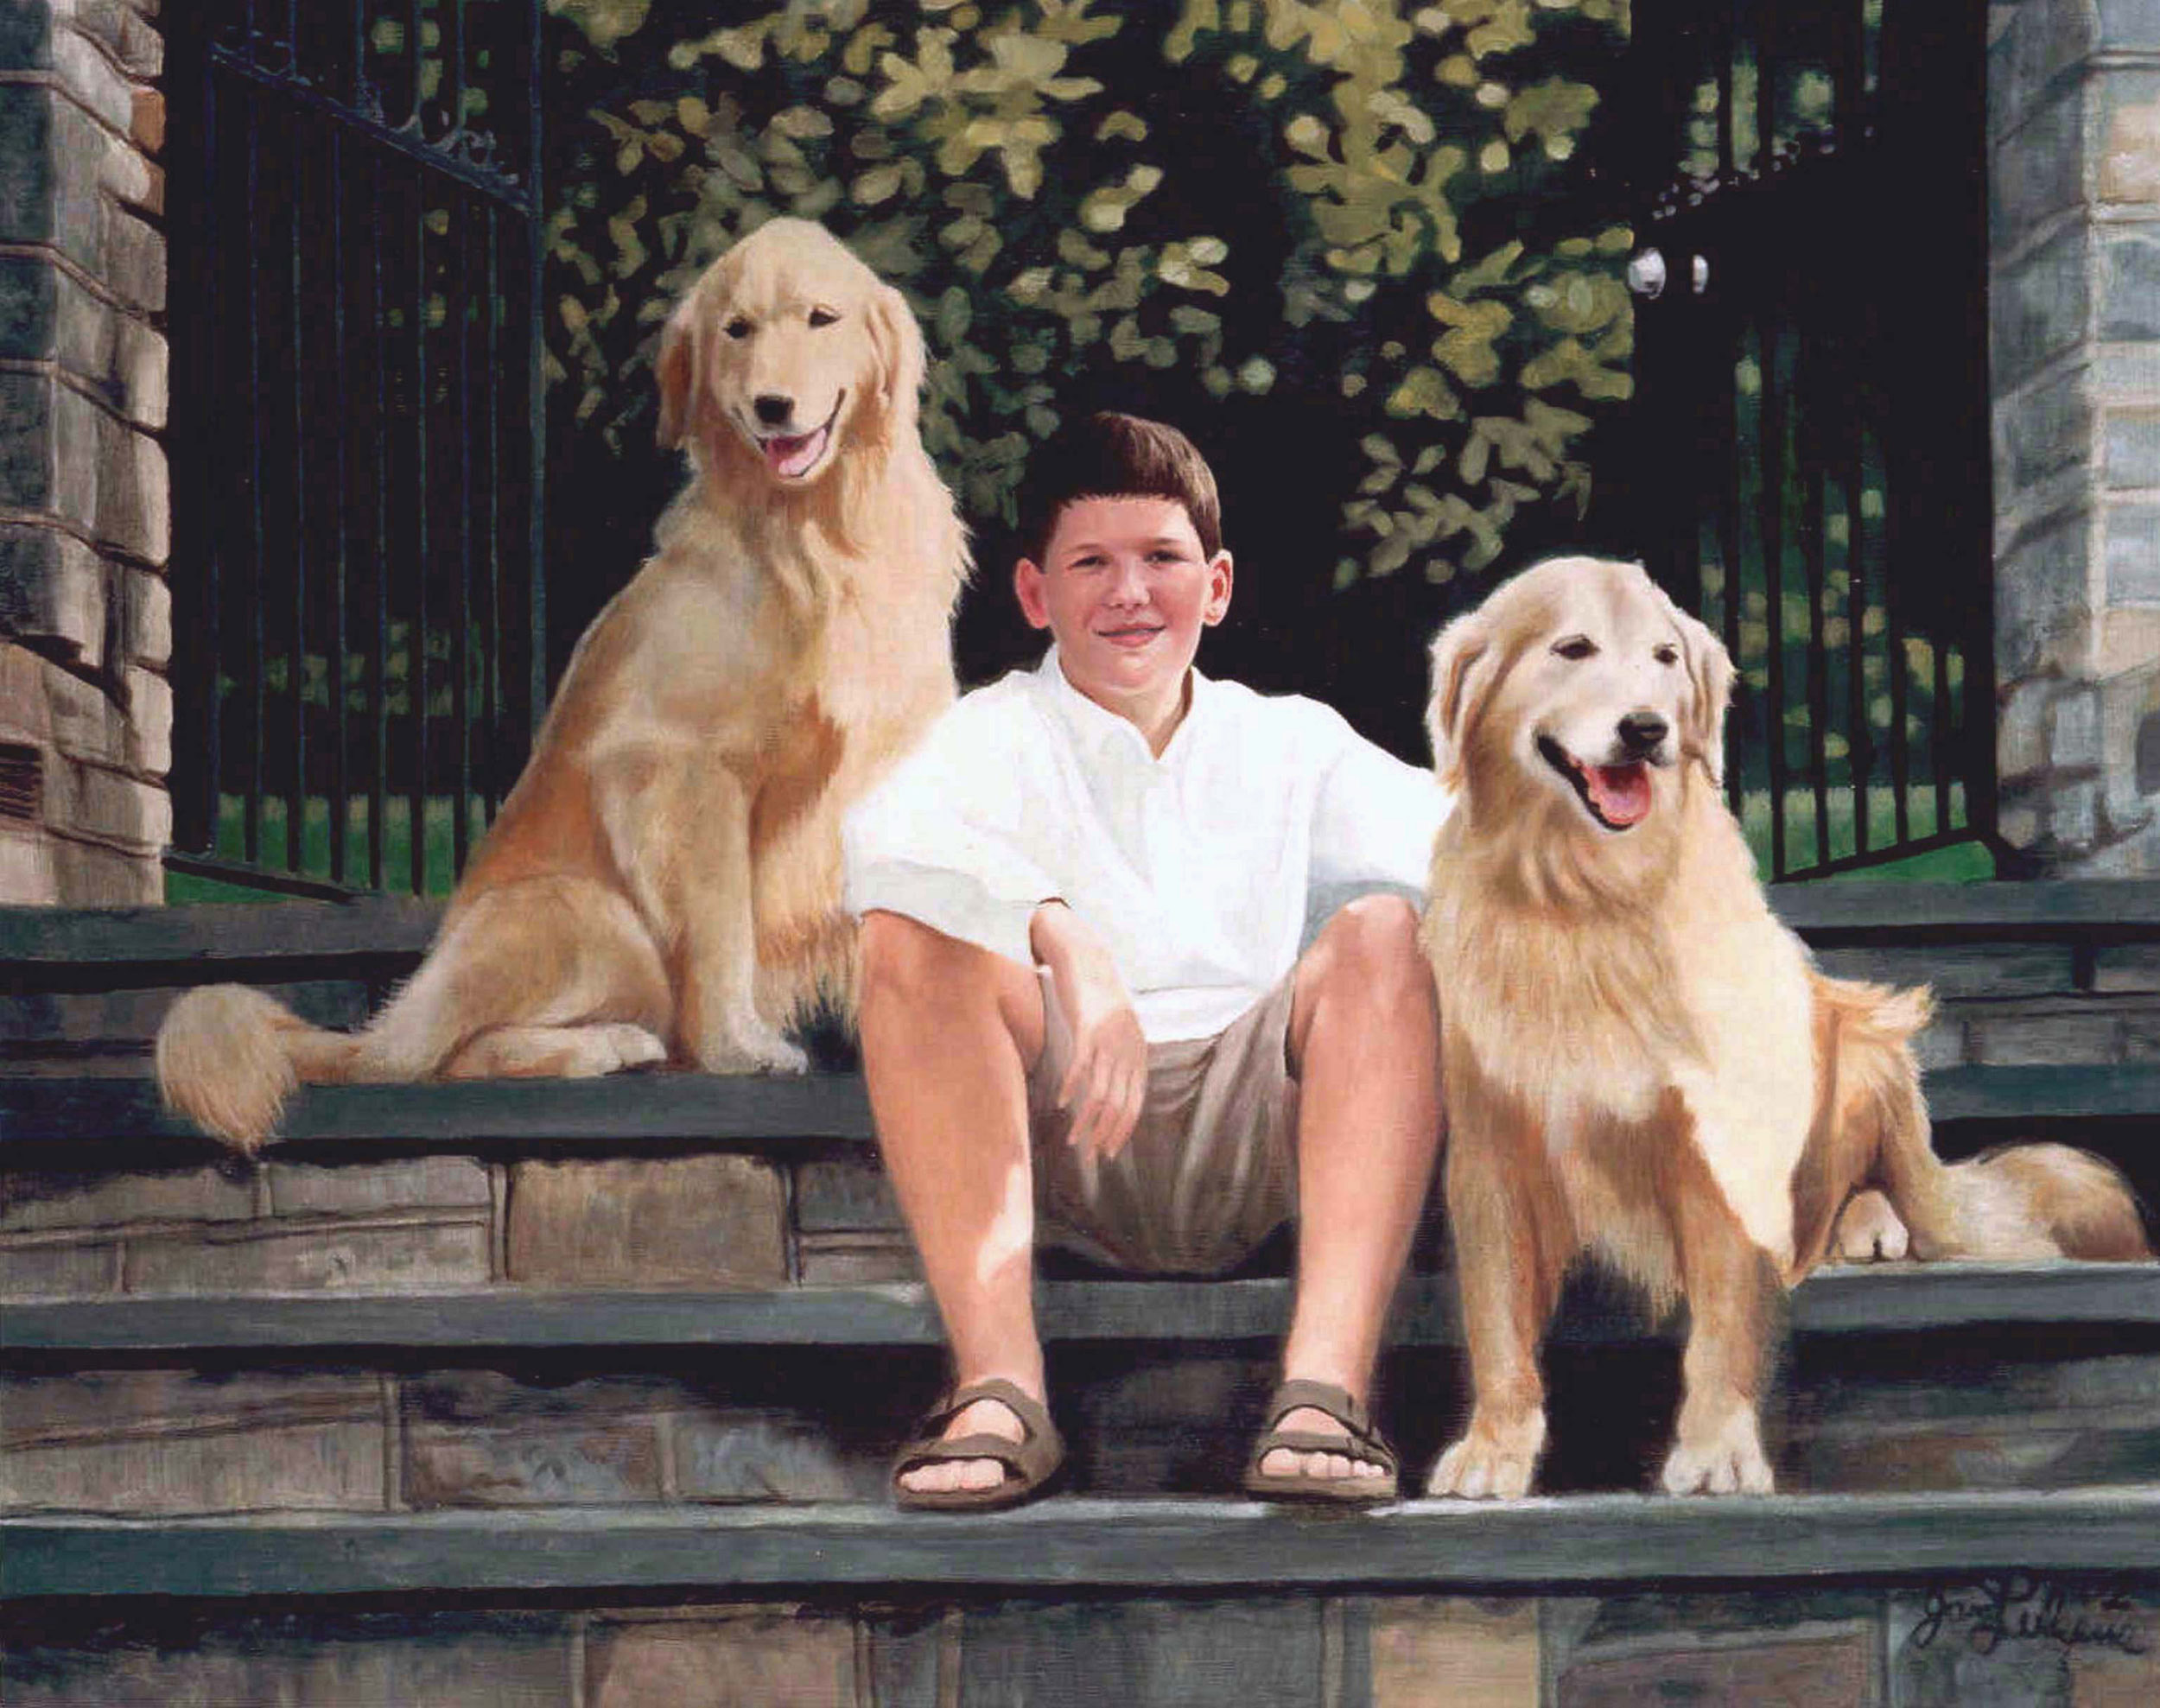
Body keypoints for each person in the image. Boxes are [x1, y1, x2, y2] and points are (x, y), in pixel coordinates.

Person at [842, 411, 1450, 1509]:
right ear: (1036, 596)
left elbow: (1465, 852)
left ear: (1214, 586)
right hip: (1062, 1123)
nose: (1130, 593)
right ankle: (998, 1386)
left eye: (1161, 559)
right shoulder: (992, 734)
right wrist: (1066, 938)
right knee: (909, 937)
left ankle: (1323, 1389)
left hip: (1252, 1128)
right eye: (1093, 564)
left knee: (1384, 936)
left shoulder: (1291, 741)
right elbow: (880, 849)